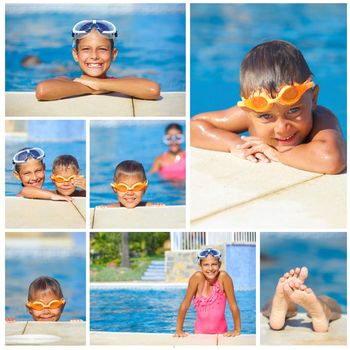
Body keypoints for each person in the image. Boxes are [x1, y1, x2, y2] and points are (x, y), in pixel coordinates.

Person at [191, 40, 346, 174]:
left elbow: (332, 160)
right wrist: (236, 144)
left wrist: (277, 154)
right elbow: (194, 126)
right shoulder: (250, 113)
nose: (282, 128)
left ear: (313, 98)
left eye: (293, 110)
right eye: (266, 116)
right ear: (249, 111)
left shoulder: (323, 119)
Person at [36, 20, 160, 101]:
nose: (94, 56)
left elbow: (153, 90)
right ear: (75, 54)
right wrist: (92, 86)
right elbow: (42, 91)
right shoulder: (66, 81)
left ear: (113, 54)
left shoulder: (124, 81)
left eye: (102, 49)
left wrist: (100, 84)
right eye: (86, 49)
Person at [174, 248, 241, 337]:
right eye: (206, 265)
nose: (210, 268)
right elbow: (185, 304)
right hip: (199, 334)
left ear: (219, 264)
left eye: (214, 264)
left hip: (221, 333)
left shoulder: (223, 278)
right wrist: (179, 330)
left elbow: (233, 305)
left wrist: (237, 329)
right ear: (200, 265)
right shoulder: (196, 278)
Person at [262, 266, 342, 332]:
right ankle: (323, 309)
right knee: (327, 299)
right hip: (312, 288)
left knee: (271, 300)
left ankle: (275, 308)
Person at [99, 160, 163, 208]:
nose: (130, 193)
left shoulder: (149, 206)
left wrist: (158, 207)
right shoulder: (110, 208)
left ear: (145, 188)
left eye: (137, 187)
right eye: (123, 187)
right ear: (115, 189)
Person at [18, 155, 86, 200]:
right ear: (53, 179)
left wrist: (86, 186)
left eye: (71, 178)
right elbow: (25, 191)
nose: (66, 183)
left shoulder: (83, 194)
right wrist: (53, 196)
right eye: (60, 179)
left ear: (78, 177)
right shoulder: (49, 194)